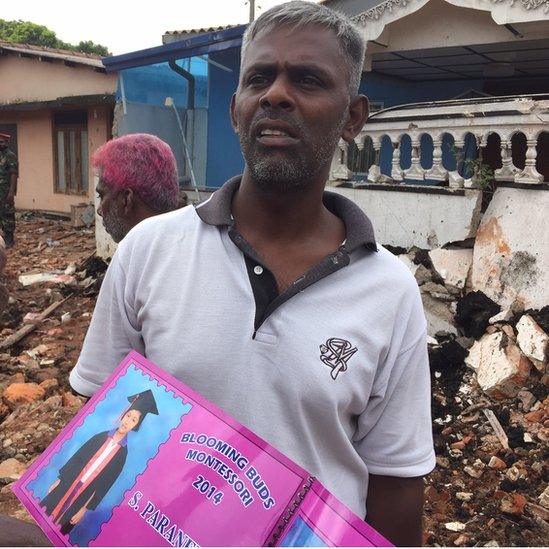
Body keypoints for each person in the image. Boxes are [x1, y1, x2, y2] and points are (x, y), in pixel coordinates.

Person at [70, 2, 435, 545]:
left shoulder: (390, 290)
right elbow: (101, 425)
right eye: (259, 79)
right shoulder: (149, 249)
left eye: (307, 80)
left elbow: (395, 481)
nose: (277, 95)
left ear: (353, 118)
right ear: (237, 109)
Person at [39, 390, 158, 536]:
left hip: (84, 494)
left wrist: (84, 509)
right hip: (68, 482)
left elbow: (105, 485)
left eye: (133, 420)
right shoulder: (100, 437)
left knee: (61, 528)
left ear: (136, 426)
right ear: (123, 414)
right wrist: (59, 479)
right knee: (42, 516)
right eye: (128, 416)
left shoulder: (122, 454)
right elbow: (77, 458)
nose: (128, 422)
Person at [93, 133, 180, 242]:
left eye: (101, 196)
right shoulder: (192, 246)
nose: (99, 210)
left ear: (126, 200)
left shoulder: (129, 256)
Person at [0, 132, 18, 248]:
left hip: (6, 190)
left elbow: (13, 174)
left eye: (1, 142)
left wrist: (11, 191)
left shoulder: (10, 155)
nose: (0, 144)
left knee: (8, 213)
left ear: (6, 143)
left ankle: (9, 237)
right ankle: (3, 237)